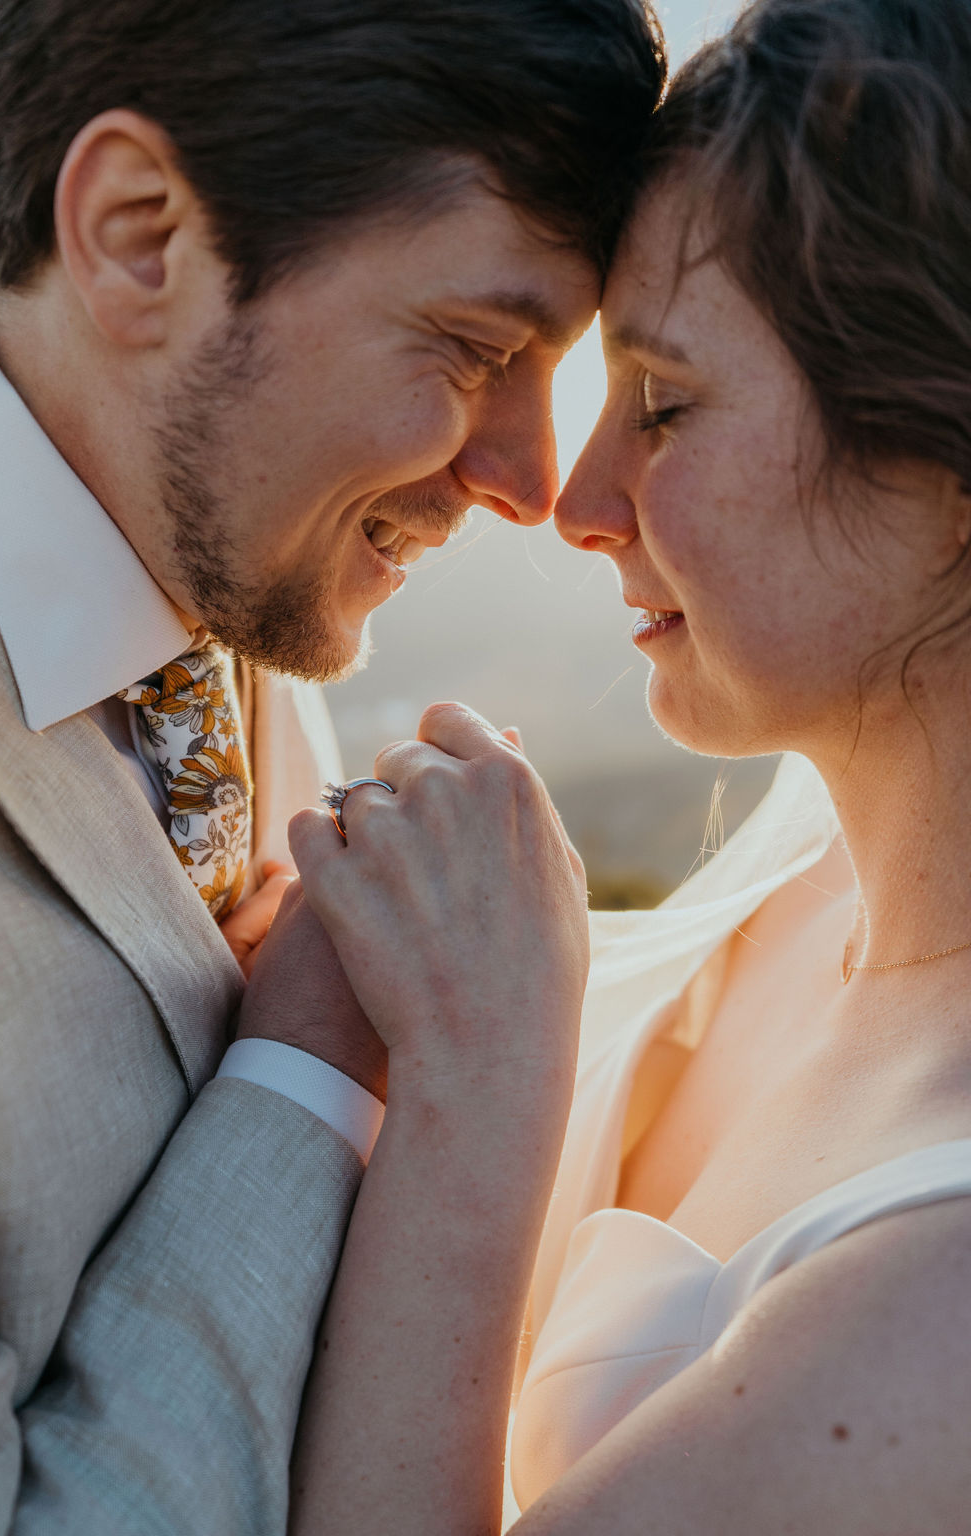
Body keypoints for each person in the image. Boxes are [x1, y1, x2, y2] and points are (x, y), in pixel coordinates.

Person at [0, 1, 666, 1530]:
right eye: (477, 347)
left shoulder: (215, 573)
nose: (535, 482)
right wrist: (316, 1063)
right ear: (140, 237)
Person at [279, 1, 971, 1531]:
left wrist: (479, 1081)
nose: (576, 498)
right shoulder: (809, 860)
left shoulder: (944, 1312)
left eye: (665, 407)